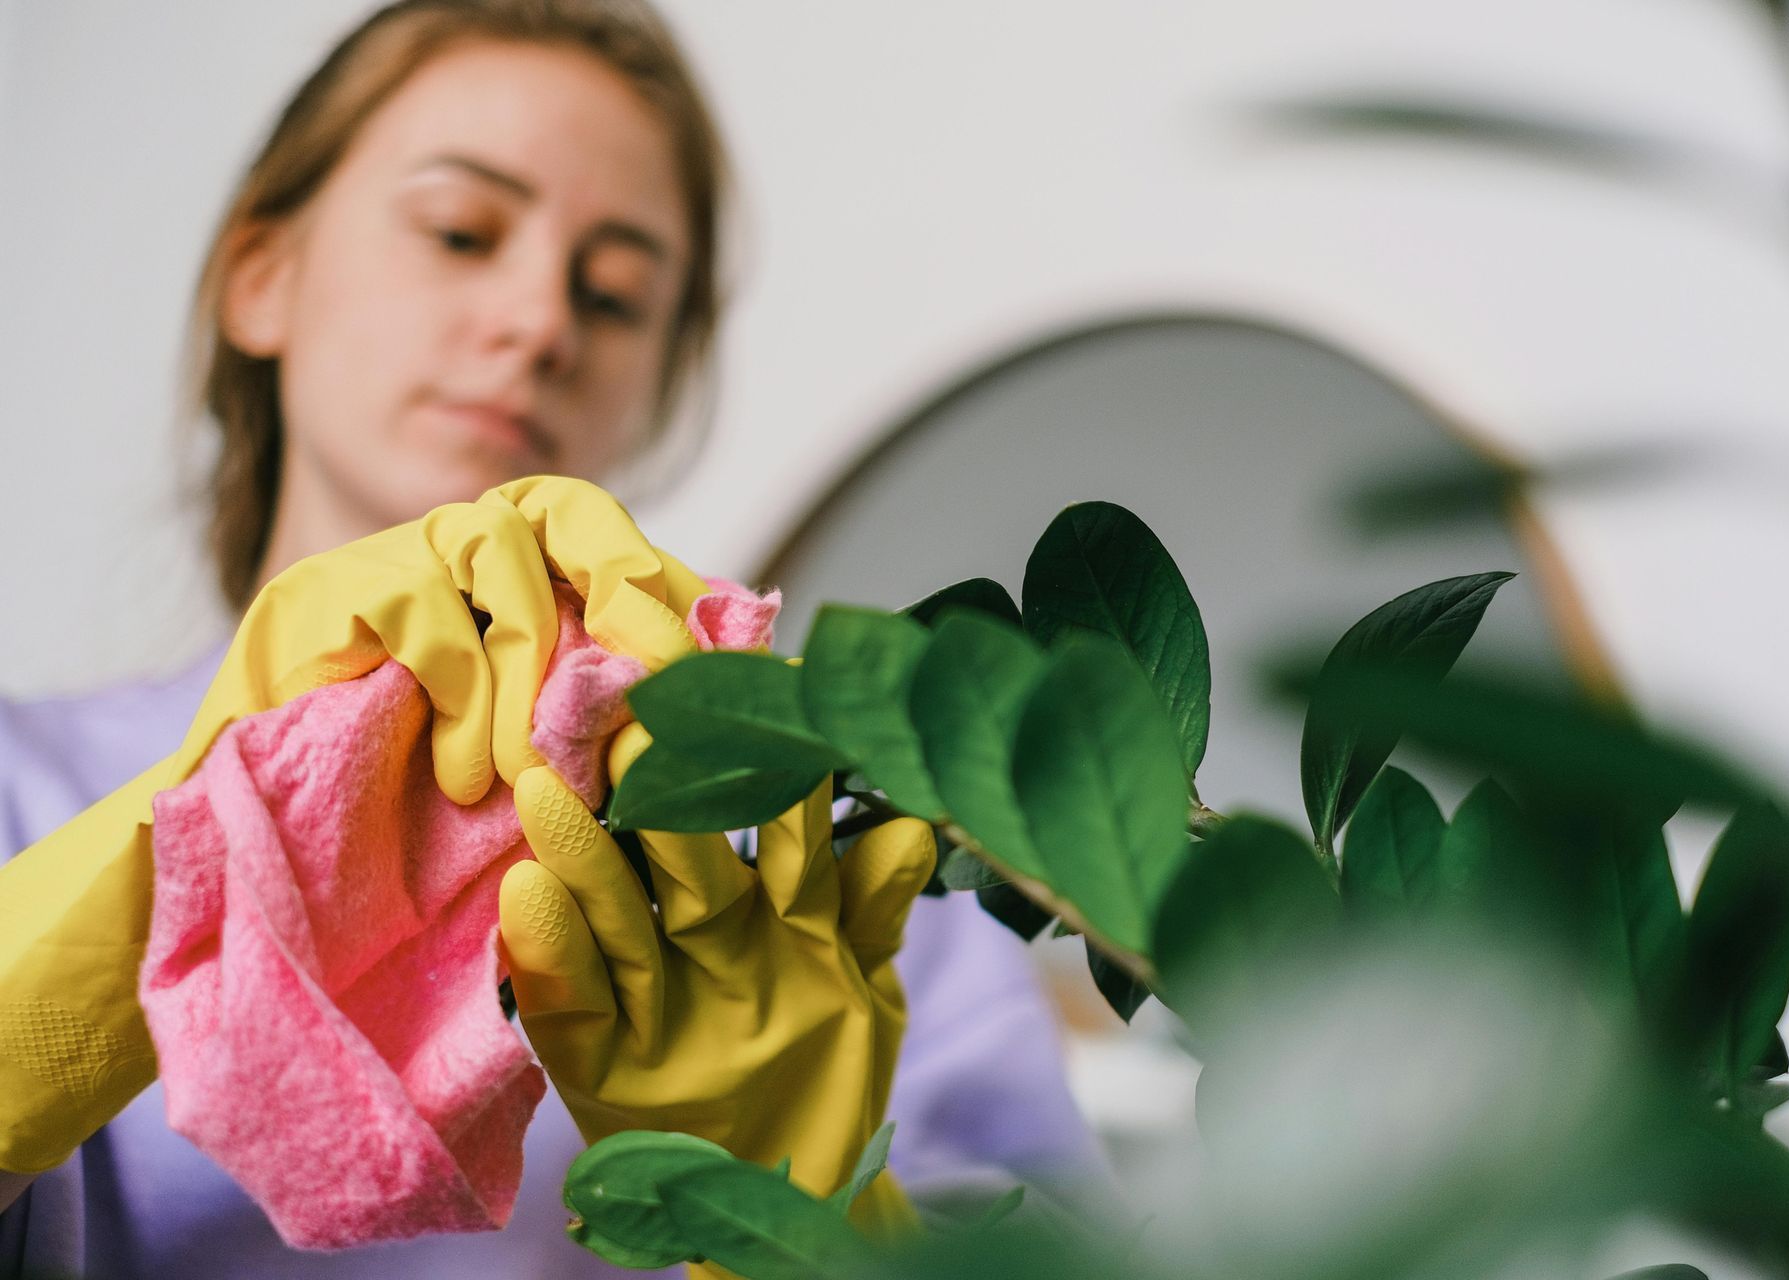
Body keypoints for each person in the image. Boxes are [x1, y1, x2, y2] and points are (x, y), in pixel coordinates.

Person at [0, 2, 1106, 1275]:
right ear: (264, 274)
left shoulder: (843, 876)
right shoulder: (23, 789)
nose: (540, 322)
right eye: (460, 232)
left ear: (653, 387)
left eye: (618, 294)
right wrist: (192, 838)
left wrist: (806, 1214)